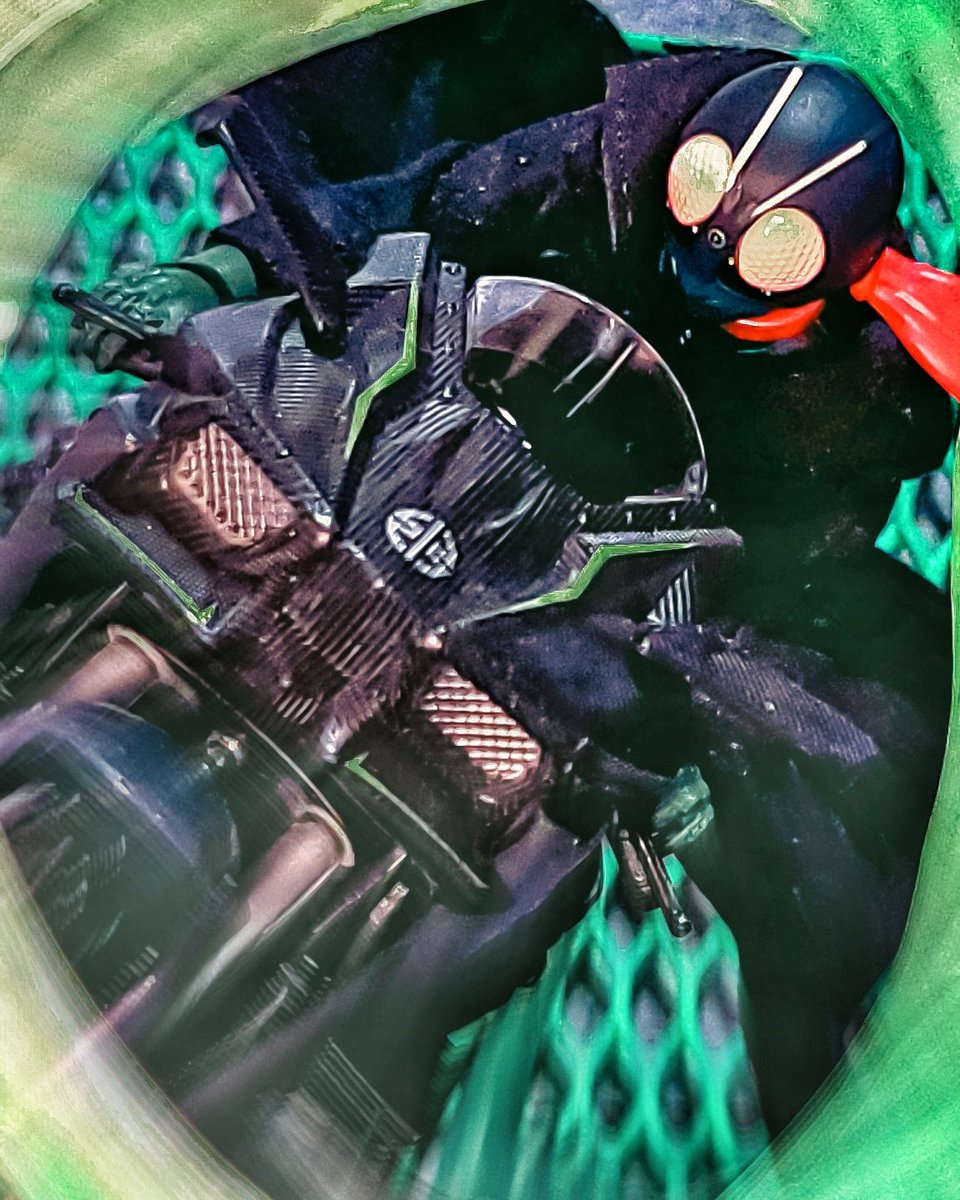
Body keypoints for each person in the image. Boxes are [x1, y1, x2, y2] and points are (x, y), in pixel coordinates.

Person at [66, 0, 954, 1134]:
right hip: (383, 463)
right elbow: (409, 210)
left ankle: (356, 1088)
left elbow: (782, 570)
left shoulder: (853, 400)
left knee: (543, 854)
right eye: (702, 186)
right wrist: (221, 271)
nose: (716, 242)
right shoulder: (596, 154)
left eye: (773, 248)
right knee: (118, 455)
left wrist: (717, 744)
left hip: (552, 612)